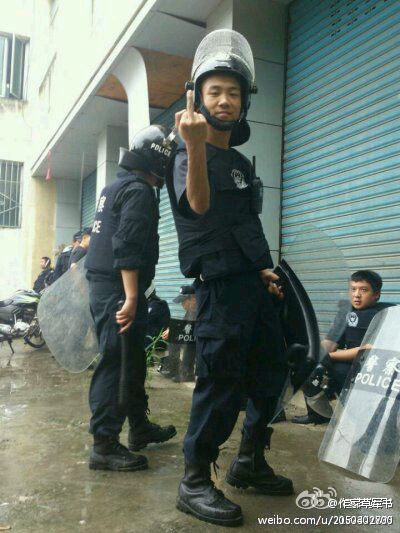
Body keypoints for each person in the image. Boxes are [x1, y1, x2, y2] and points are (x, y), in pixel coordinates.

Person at [166, 30, 293, 527]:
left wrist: (263, 268)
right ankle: (194, 481)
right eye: (214, 91)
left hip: (251, 288)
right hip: (218, 291)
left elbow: (242, 224)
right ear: (198, 98)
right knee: (220, 386)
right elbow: (199, 207)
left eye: (233, 93)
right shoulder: (186, 156)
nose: (224, 100)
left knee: (270, 375)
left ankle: (249, 461)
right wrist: (195, 145)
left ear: (244, 103)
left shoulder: (239, 162)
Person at [84, 125, 177, 472]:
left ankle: (138, 426)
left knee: (133, 358)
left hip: (108, 286)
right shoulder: (139, 191)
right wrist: (132, 296)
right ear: (158, 162)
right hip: (118, 290)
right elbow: (126, 245)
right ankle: (104, 445)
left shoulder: (115, 186)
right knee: (115, 361)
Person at [293, 270, 393, 425]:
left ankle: (363, 420)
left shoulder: (385, 313)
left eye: (363, 290)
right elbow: (330, 343)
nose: (357, 295)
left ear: (376, 295)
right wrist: (311, 351)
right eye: (353, 289)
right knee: (308, 365)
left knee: (340, 371)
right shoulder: (346, 312)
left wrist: (329, 356)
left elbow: (368, 349)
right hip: (349, 361)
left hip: (373, 366)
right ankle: (318, 414)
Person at [160, 285, 197, 382]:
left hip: (201, 339)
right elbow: (184, 325)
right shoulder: (190, 311)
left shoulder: (202, 311)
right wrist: (172, 330)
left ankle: (187, 373)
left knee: (188, 341)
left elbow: (193, 328)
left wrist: (174, 330)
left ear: (193, 299)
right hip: (193, 337)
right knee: (173, 339)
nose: (182, 304)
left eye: (184, 301)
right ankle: (174, 369)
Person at [145, 282, 171, 351]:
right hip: (145, 346)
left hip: (156, 347)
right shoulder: (141, 304)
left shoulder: (160, 304)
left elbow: (165, 326)